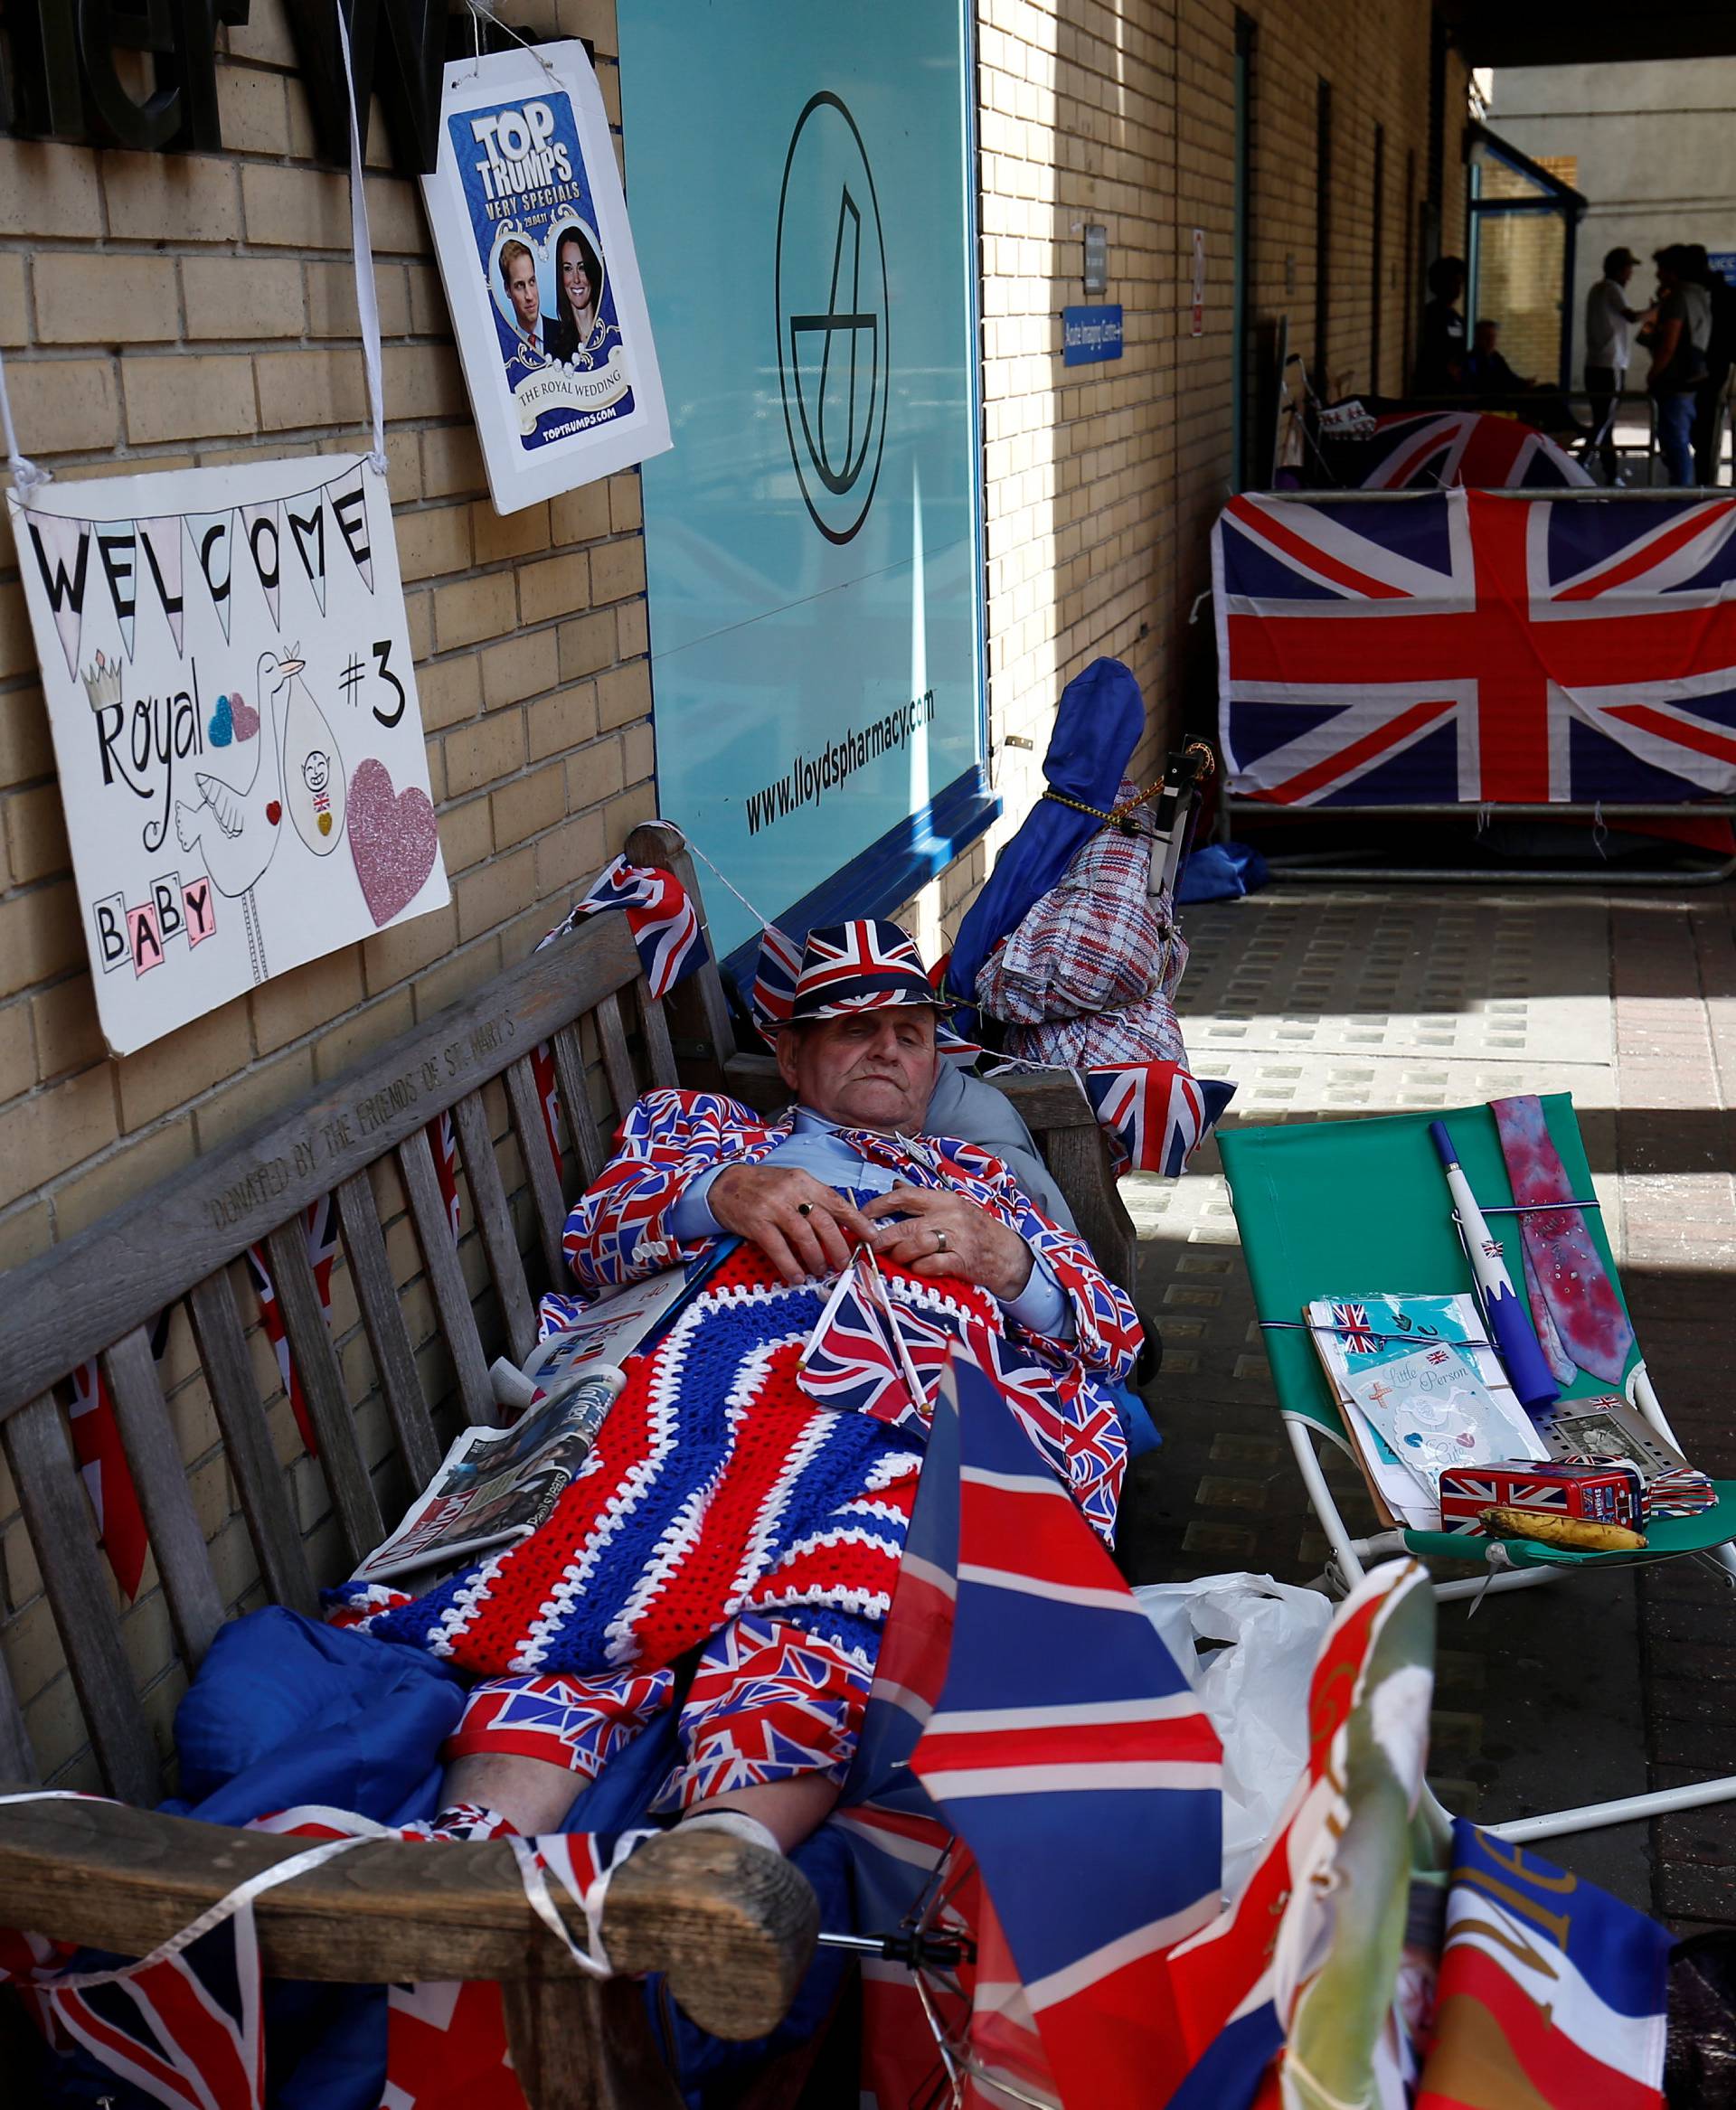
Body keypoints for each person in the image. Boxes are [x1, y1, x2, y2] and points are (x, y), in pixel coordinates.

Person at [330, 919, 1141, 1855]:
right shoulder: (707, 1131)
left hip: (903, 1403)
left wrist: (1009, 1264)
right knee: (607, 1530)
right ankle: (474, 1847)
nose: (886, 1048)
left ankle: (720, 1856)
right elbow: (595, 1239)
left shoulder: (986, 1184)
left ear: (933, 1070)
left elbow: (1114, 1335)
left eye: (909, 1034)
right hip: (699, 1383)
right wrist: (721, 1193)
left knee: (871, 1549)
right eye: (853, 1028)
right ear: (791, 1057)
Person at [1644, 243, 1712, 485]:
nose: (1657, 275)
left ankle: (1681, 495)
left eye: (1661, 269)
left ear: (1672, 271)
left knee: (1674, 440)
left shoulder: (1678, 297)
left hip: (1674, 379)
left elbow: (1669, 343)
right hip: (1693, 375)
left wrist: (1653, 374)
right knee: (1680, 437)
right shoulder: (1700, 294)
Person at [1584, 246, 1648, 484]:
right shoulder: (1612, 288)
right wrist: (1657, 310)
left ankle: (1610, 473)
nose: (1631, 274)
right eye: (1629, 268)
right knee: (1604, 421)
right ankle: (1581, 467)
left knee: (1604, 421)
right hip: (1610, 365)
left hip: (1594, 364)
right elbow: (1631, 317)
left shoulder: (1596, 289)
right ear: (1620, 269)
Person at [1685, 244, 1736, 485]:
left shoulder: (1702, 296)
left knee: (1707, 433)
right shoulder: (1723, 292)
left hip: (1716, 371)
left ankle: (1705, 486)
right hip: (1722, 368)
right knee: (1708, 434)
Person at [547, 223, 604, 363]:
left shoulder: (613, 327)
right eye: (568, 269)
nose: (576, 279)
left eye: (582, 267)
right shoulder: (556, 350)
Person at [497, 237, 559, 363]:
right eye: (520, 285)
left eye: (532, 282)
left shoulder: (567, 335)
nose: (529, 296)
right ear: (507, 290)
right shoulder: (506, 350)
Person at [1414, 255, 1468, 400]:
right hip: (1433, 392)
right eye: (1454, 283)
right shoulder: (1429, 315)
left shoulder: (1457, 319)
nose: (1458, 289)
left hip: (1454, 391)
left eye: (1460, 283)